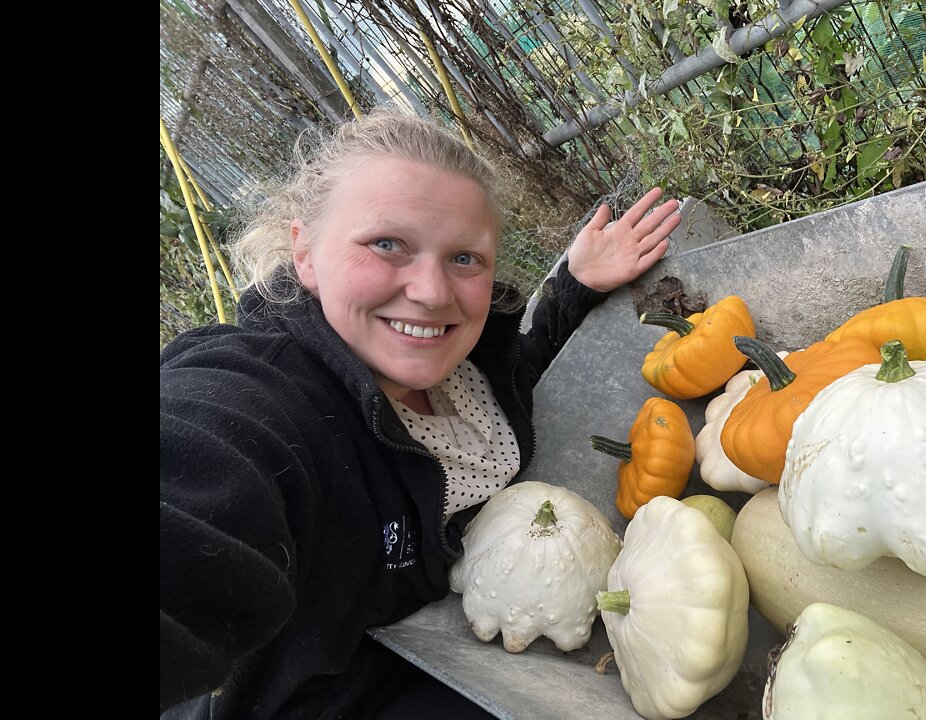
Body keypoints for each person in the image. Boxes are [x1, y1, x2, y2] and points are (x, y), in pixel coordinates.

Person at [159, 108, 682, 719]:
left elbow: (518, 375)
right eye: (387, 244)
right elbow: (197, 475)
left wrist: (573, 283)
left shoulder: (463, 365)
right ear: (304, 252)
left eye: (466, 258)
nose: (433, 293)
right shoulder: (262, 394)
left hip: (479, 648)